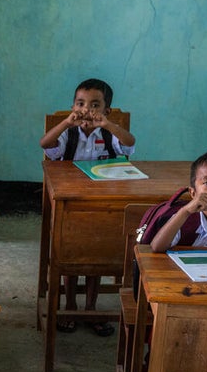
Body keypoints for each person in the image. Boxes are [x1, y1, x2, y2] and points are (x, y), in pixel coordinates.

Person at [40, 78, 136, 335]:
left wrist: (109, 125)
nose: (87, 109)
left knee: (96, 257)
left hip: (102, 207)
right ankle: (70, 305)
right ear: (73, 106)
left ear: (106, 111)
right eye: (81, 103)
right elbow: (45, 145)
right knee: (70, 257)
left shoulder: (108, 134)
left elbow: (129, 142)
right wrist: (65, 122)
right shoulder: (68, 134)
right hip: (71, 206)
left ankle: (91, 309)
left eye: (95, 105)